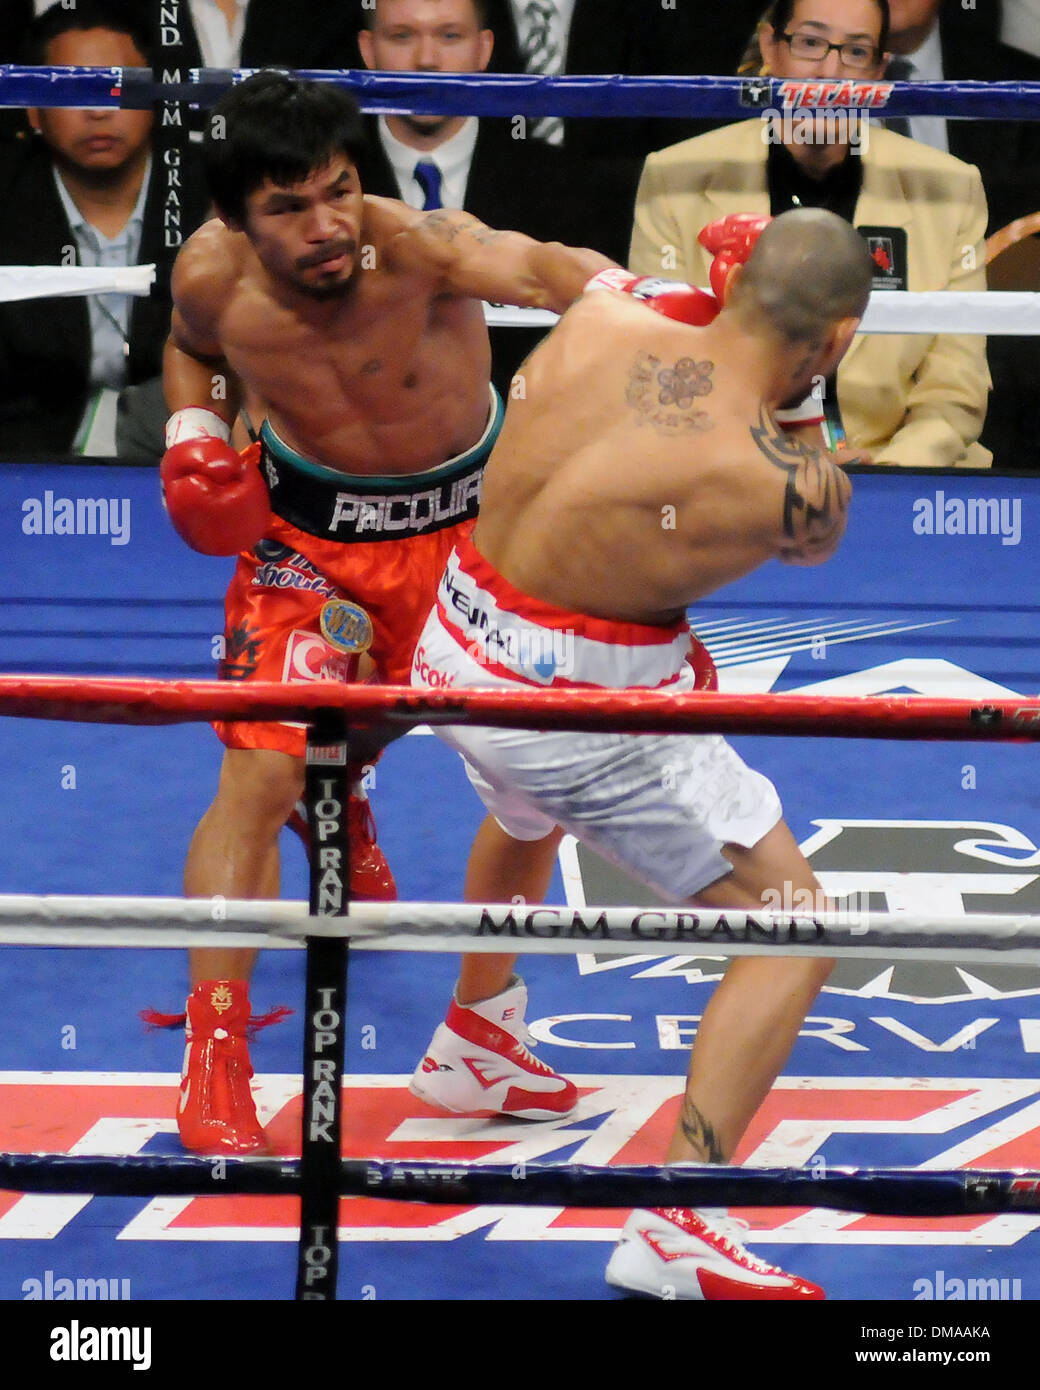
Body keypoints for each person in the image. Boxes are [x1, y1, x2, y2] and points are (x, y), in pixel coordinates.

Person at [411, 206, 874, 1298]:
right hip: (573, 712)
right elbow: (820, 527)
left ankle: (475, 1039)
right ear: (839, 337)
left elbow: (490, 251)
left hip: (449, 644)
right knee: (793, 929)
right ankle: (682, 1219)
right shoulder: (777, 478)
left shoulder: (610, 305)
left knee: (521, 809)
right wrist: (803, 382)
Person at [159, 70, 624, 1156]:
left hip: (476, 542)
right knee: (257, 772)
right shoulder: (210, 278)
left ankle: (478, 1033)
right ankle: (215, 1057)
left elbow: (544, 267)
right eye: (287, 208)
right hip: (308, 554)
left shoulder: (413, 243)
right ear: (234, 216)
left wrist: (644, 296)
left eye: (336, 190)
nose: (326, 228)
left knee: (541, 779)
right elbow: (195, 352)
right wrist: (193, 427)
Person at [630, 0, 992, 470]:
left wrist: (887, 472)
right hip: (725, 472)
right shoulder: (675, 176)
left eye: (856, 52)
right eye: (810, 43)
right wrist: (771, 467)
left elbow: (954, 393)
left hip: (891, 472)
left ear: (881, 70)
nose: (830, 71)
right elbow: (660, 368)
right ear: (769, 48)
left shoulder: (950, 187)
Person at [354, 0, 631, 400]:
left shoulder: (566, 186)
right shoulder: (326, 192)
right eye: (402, 36)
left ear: (484, 49)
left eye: (449, 36)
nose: (426, 60)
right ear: (368, 49)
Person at [0, 1, 206, 457]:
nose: (98, 110)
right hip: (25, 458)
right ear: (33, 111)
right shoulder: (8, 191)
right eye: (74, 88)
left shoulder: (211, 188)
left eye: (119, 85)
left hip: (181, 453)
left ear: (155, 96)